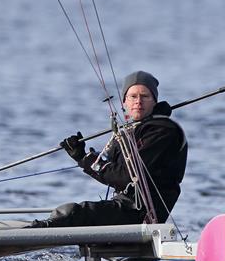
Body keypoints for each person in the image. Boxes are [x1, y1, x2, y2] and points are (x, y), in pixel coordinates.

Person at [29, 71, 187, 228]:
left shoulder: (163, 131)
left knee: (74, 213)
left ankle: (35, 231)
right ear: (124, 102)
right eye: (133, 96)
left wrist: (88, 160)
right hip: (125, 206)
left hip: (142, 213)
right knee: (69, 211)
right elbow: (113, 174)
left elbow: (126, 176)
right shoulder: (134, 130)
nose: (138, 101)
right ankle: (39, 228)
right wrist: (82, 156)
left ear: (154, 101)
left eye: (145, 96)